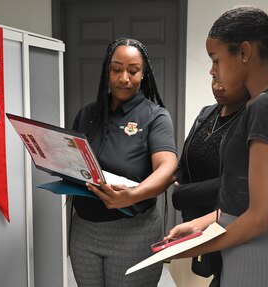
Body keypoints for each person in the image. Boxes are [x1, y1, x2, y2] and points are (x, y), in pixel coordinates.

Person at [166, 6, 268, 287]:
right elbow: (241, 200)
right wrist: (199, 224)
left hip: (255, 255)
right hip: (243, 249)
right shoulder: (265, 103)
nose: (212, 70)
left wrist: (197, 246)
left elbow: (261, 216)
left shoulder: (267, 106)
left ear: (244, 52)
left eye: (216, 59)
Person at [69, 37, 178, 287]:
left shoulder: (155, 116)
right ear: (107, 71)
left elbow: (168, 167)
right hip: (84, 228)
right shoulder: (87, 114)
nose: (124, 78)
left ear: (143, 74)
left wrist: (133, 195)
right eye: (116, 69)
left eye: (133, 70)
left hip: (133, 229)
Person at [172, 79, 249, 286]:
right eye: (214, 78)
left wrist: (183, 194)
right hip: (194, 223)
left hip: (230, 226)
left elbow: (240, 184)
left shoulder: (249, 119)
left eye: (225, 80)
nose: (218, 86)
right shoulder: (207, 114)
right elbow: (183, 165)